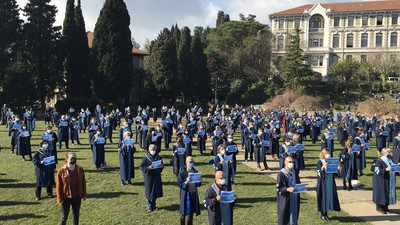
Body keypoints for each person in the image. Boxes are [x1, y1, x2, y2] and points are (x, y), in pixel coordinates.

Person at [57, 152, 87, 225]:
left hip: (77, 196)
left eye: (74, 158)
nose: (73, 159)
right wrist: (59, 198)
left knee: (76, 216)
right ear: (66, 159)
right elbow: (59, 186)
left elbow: (83, 182)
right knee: (64, 217)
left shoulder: (80, 169)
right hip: (66, 197)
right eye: (71, 158)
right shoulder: (61, 171)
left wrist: (84, 194)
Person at [316, 149, 341, 221]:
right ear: (323, 154)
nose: (328, 155)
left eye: (329, 153)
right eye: (326, 153)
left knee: (329, 198)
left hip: (330, 183)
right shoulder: (320, 162)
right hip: (323, 183)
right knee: (323, 198)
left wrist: (338, 167)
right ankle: (322, 214)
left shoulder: (331, 162)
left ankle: (326, 214)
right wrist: (322, 167)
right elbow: (319, 173)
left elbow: (336, 174)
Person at [178, 156, 202, 225]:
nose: (191, 163)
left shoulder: (195, 171)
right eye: (189, 162)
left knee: (191, 213)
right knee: (183, 213)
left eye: (192, 162)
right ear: (186, 162)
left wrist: (200, 181)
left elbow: (198, 184)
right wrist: (186, 182)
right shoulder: (182, 172)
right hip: (185, 195)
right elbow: (179, 184)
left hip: (193, 193)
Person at [276, 156, 300, 225]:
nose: (291, 163)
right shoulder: (281, 174)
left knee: (294, 216)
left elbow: (298, 183)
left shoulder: (294, 173)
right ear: (285, 162)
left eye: (292, 162)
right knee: (285, 217)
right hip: (286, 199)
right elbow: (279, 188)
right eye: (289, 162)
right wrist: (287, 189)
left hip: (294, 198)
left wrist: (303, 187)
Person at [373, 148, 397, 214]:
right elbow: (377, 170)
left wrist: (397, 166)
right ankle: (379, 207)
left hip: (389, 179)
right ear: (384, 153)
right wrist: (385, 169)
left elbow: (393, 167)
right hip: (381, 180)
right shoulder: (379, 161)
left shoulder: (389, 160)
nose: (389, 154)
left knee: (387, 193)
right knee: (381, 193)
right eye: (387, 153)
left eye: (389, 152)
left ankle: (386, 206)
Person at [140, 144, 163, 211]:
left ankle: (154, 205)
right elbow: (141, 167)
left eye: (154, 149)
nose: (153, 151)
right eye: (152, 150)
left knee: (155, 191)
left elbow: (161, 166)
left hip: (156, 176)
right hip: (149, 177)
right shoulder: (146, 158)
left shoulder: (159, 157)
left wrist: (161, 167)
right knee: (149, 191)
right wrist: (148, 168)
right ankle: (149, 205)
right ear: (149, 150)